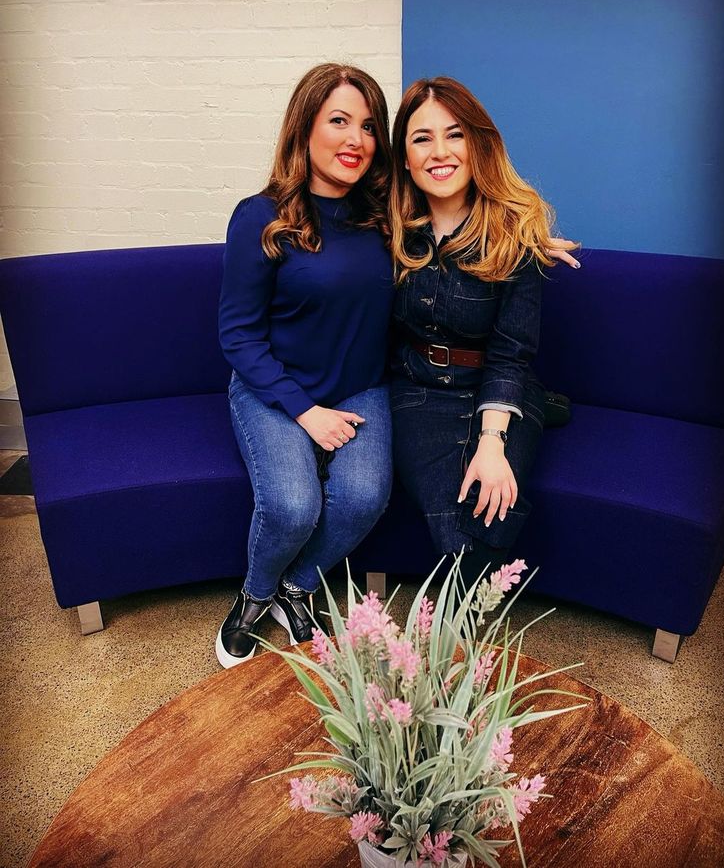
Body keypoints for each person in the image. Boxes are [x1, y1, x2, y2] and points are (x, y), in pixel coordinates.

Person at [216, 63, 395, 668]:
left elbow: (462, 224)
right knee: (294, 507)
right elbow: (238, 335)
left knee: (364, 498)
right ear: (305, 126)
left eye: (368, 126)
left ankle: (297, 586)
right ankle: (256, 594)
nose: (356, 140)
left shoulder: (386, 215)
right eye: (339, 121)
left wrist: (524, 243)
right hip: (274, 386)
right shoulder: (260, 216)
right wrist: (306, 412)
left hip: (360, 387)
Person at [388, 76, 576, 580]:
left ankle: (532, 407)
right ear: (404, 158)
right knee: (452, 519)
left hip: (495, 383)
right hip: (417, 391)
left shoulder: (515, 235)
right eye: (422, 138)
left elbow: (511, 353)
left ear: (477, 144)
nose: (440, 152)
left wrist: (492, 442)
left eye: (455, 134)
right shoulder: (386, 230)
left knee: (490, 503)